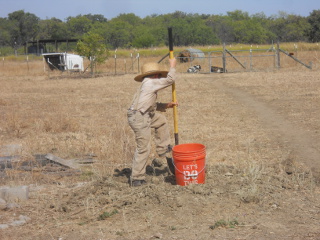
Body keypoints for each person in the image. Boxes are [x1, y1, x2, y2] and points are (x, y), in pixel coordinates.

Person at [127, 58, 178, 187]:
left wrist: (165, 105)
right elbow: (170, 79)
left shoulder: (147, 83)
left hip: (145, 114)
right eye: (159, 76)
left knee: (161, 120)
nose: (160, 78)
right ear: (156, 75)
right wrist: (172, 66)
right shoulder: (150, 82)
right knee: (144, 147)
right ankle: (137, 178)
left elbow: (149, 103)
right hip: (139, 117)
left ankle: (163, 149)